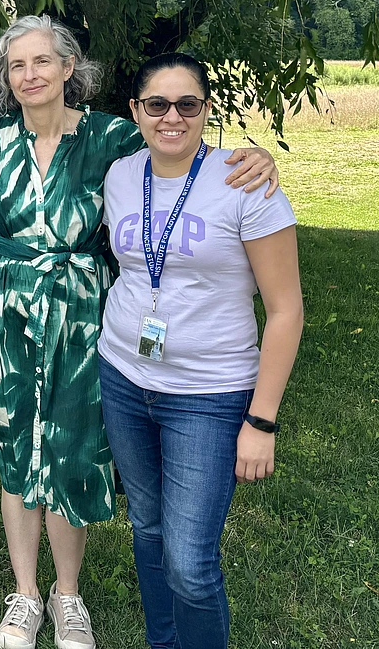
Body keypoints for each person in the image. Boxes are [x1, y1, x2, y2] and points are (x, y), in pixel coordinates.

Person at [0, 16, 278, 649]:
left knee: (74, 447)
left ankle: (67, 595)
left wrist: (257, 155)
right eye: (17, 65)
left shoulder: (109, 138)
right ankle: (24, 594)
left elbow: (178, 158)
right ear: (6, 74)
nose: (31, 75)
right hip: (6, 308)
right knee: (16, 446)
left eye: (43, 62)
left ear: (69, 68)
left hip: (84, 313)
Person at [97, 54, 302, 649]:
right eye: (156, 104)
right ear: (135, 112)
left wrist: (261, 419)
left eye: (188, 104)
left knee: (189, 561)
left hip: (209, 395)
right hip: (123, 377)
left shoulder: (244, 181)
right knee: (148, 529)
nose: (172, 117)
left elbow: (286, 310)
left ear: (206, 111)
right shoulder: (119, 174)